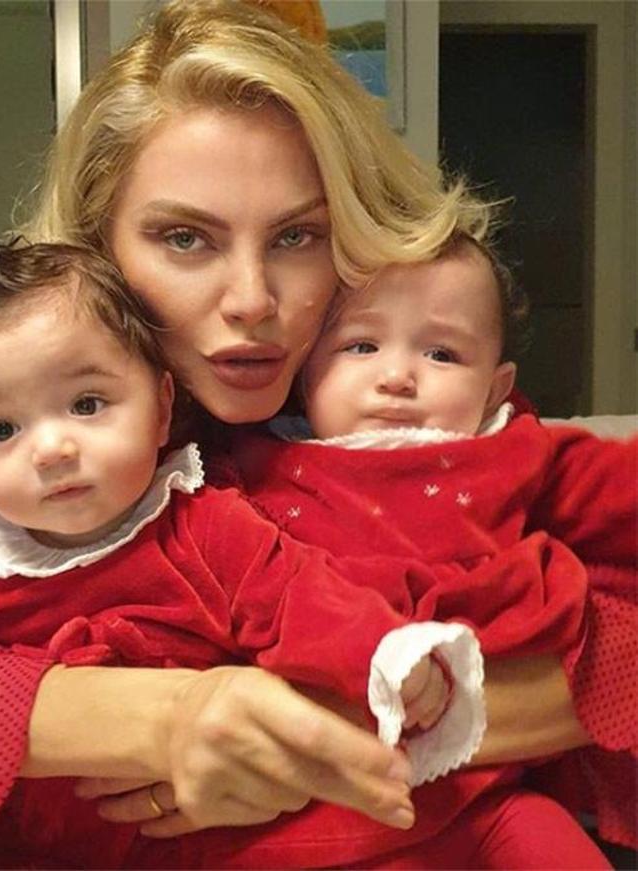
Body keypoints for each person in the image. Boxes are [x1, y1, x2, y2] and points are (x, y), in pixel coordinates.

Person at [0, 0, 627, 867]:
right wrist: (170, 719)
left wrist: (309, 736)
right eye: (185, 238)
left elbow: (616, 652)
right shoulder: (61, 439)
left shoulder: (428, 425)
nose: (252, 301)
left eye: (297, 235)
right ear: (97, 246)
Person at [228, 231, 638, 857]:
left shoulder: (513, 451)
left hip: (493, 791)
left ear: (495, 389)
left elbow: (616, 489)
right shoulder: (257, 466)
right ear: (305, 373)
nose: (397, 377)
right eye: (361, 346)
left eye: (442, 354)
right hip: (323, 801)